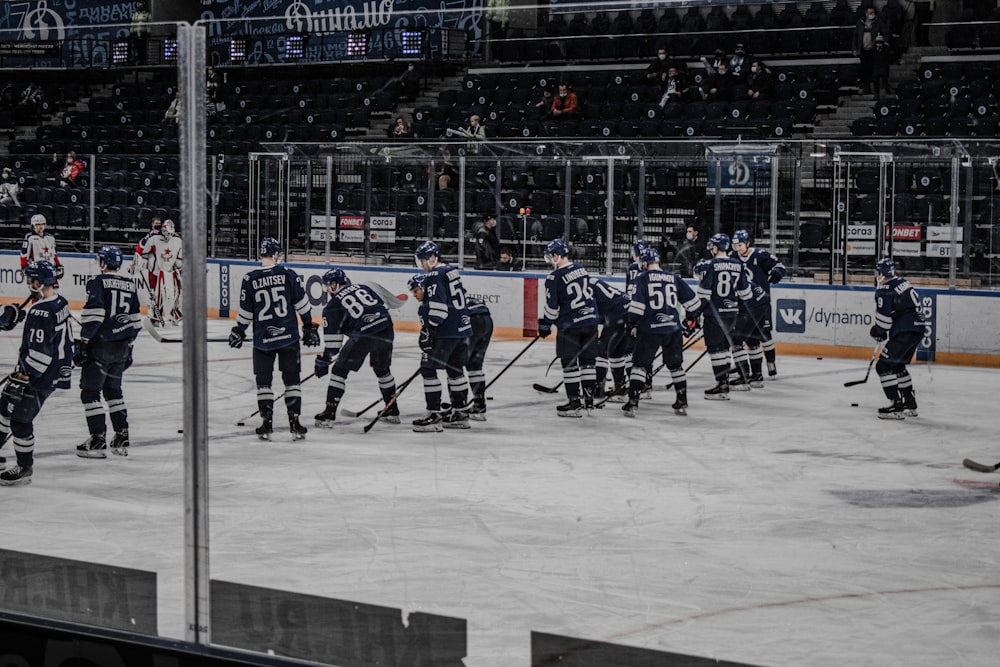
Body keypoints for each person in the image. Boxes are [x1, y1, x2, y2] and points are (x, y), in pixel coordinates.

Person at [229, 237, 320, 440]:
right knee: (292, 381)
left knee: (264, 383)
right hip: (288, 337)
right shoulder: (288, 274)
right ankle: (295, 422)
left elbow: (246, 312)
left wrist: (239, 331)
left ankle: (266, 423)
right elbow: (303, 305)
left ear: (261, 254)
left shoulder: (249, 279)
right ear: (277, 254)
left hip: (263, 340)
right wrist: (308, 327)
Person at [0, 260, 74, 486]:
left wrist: (23, 376)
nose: (27, 283)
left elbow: (40, 354)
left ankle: (24, 467)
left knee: (20, 420)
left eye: (29, 279)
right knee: (4, 408)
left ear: (37, 282)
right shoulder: (59, 302)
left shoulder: (41, 312)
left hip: (40, 377)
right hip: (53, 373)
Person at [75, 246, 142, 459]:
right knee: (114, 391)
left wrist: (84, 341)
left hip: (100, 346)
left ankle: (97, 438)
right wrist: (129, 346)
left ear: (103, 263)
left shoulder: (97, 282)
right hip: (121, 347)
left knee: (90, 392)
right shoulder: (130, 285)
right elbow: (135, 322)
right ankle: (122, 434)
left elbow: (95, 315)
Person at [312, 269, 398, 427]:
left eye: (327, 286)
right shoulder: (364, 288)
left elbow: (333, 345)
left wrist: (324, 359)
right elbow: (380, 308)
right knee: (382, 370)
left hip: (364, 335)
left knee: (339, 371)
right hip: (386, 328)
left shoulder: (332, 305)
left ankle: (329, 414)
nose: (327, 290)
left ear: (335, 284)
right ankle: (392, 410)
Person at [624, 247, 702, 417]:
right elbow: (694, 304)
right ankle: (682, 401)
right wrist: (690, 319)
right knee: (675, 366)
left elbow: (636, 308)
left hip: (649, 328)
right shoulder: (673, 277)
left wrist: (631, 323)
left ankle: (632, 403)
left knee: (639, 365)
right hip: (673, 329)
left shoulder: (641, 278)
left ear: (644, 263)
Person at [411, 241, 474, 431]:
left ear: (432, 258)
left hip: (446, 332)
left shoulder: (434, 275)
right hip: (462, 329)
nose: (422, 265)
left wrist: (429, 332)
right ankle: (460, 413)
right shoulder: (451, 271)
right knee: (455, 370)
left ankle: (434, 415)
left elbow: (438, 311)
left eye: (423, 260)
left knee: (428, 369)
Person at [537, 238, 599, 417]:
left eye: (550, 257)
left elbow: (552, 308)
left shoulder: (554, 278)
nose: (549, 261)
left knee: (570, 364)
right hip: (591, 322)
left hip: (571, 326)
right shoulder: (581, 269)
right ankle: (589, 401)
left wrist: (545, 324)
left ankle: (574, 403)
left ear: (557, 255)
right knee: (588, 363)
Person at [696, 233, 752, 400]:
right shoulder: (738, 264)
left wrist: (695, 314)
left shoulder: (711, 265)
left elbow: (703, 294)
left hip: (714, 314)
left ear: (715, 247)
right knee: (724, 348)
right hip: (732, 314)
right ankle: (724, 381)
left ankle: (722, 385)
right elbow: (746, 294)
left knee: (715, 349)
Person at [871, 258, 924, 419]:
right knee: (898, 367)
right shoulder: (903, 283)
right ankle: (909, 403)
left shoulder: (884, 290)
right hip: (918, 328)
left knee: (883, 366)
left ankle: (896, 406)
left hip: (904, 330)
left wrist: (878, 332)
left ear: (882, 272)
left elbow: (884, 322)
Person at [731, 229, 785, 378]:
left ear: (748, 243)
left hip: (761, 302)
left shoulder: (760, 255)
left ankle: (771, 362)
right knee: (746, 336)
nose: (738, 248)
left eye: (740, 245)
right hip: (744, 305)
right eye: (735, 245)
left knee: (764, 333)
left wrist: (776, 273)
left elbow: (780, 266)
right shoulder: (733, 257)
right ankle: (744, 365)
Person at [588, 274, 630, 403]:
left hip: (617, 313)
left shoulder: (583, 286)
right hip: (628, 310)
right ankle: (620, 389)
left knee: (602, 352)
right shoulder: (591, 280)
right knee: (616, 353)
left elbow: (591, 311)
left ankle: (598, 389)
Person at [141, 219, 183, 326]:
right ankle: (156, 317)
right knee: (158, 295)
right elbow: (143, 252)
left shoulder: (178, 241)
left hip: (172, 272)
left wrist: (179, 268)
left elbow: (179, 260)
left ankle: (174, 315)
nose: (167, 234)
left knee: (175, 294)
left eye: (169, 232)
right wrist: (143, 262)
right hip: (158, 272)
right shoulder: (154, 239)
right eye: (165, 231)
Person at [464, 295, 494, 420]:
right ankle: (479, 406)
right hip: (487, 321)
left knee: (455, 364)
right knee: (474, 365)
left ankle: (458, 407)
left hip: (473, 320)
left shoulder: (437, 294)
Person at [20, 214, 63, 283]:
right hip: (36, 269)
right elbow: (24, 254)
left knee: (52, 290)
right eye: (37, 224)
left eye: (42, 224)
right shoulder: (29, 237)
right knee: (37, 290)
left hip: (50, 269)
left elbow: (54, 254)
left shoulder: (50, 238)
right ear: (33, 225)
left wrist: (58, 265)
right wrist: (23, 266)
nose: (40, 226)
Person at [854, 4, 885, 94]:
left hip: (873, 51)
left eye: (873, 12)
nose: (872, 14)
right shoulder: (860, 23)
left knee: (874, 71)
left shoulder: (878, 22)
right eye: (870, 13)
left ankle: (875, 90)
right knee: (864, 70)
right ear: (866, 14)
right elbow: (855, 36)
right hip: (863, 50)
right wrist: (854, 49)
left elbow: (884, 33)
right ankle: (866, 88)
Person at [129, 1, 152, 65]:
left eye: (141, 3)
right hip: (135, 34)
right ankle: (134, 61)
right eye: (138, 4)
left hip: (143, 34)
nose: (139, 5)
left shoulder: (147, 14)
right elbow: (132, 24)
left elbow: (149, 24)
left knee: (142, 48)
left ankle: (142, 61)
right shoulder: (135, 14)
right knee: (136, 48)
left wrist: (148, 32)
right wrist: (131, 32)